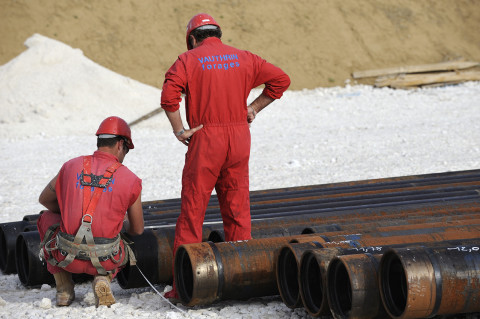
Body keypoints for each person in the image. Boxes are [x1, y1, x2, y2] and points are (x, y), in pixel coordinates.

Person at [160, 13, 290, 300]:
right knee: (237, 210)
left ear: (193, 38)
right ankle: (242, 280)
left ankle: (184, 285)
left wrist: (180, 130)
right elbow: (281, 80)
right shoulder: (245, 57)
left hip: (206, 138)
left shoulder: (188, 60)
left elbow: (169, 97)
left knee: (193, 212)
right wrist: (253, 107)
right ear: (217, 34)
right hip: (239, 137)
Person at [37, 116, 144, 307]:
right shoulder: (131, 179)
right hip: (107, 259)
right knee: (121, 233)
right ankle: (103, 279)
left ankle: (63, 288)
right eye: (126, 150)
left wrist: (70, 214)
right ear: (120, 145)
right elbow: (137, 229)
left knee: (46, 219)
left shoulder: (70, 166)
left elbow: (44, 200)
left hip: (65, 255)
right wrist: (119, 221)